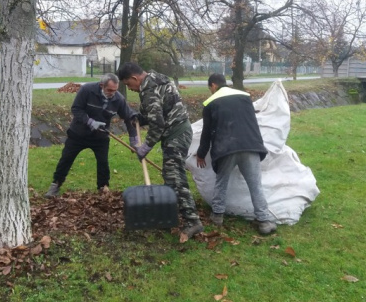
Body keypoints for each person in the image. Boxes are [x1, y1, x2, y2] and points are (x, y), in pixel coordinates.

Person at [116, 62, 204, 239]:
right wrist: (140, 118)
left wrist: (145, 147)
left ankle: (193, 221)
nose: (130, 88)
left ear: (134, 78)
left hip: (176, 134)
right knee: (170, 176)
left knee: (175, 177)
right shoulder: (158, 79)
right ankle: (169, 214)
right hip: (180, 130)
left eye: (128, 84)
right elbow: (161, 110)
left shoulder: (148, 90)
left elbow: (158, 123)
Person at [195, 74, 277, 235]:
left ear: (213, 85)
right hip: (250, 145)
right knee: (255, 185)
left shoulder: (210, 103)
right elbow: (252, 123)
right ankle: (264, 221)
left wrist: (201, 153)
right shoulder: (244, 97)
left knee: (221, 182)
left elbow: (207, 133)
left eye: (209, 88)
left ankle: (217, 216)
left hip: (226, 148)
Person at [45, 73, 138, 197]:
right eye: (109, 90)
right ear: (101, 85)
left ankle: (103, 188)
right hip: (78, 134)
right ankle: (55, 185)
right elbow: (76, 109)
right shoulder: (87, 90)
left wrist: (133, 139)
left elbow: (129, 118)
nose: (112, 93)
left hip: (100, 137)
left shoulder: (118, 99)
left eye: (115, 90)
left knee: (103, 164)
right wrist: (90, 122)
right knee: (66, 159)